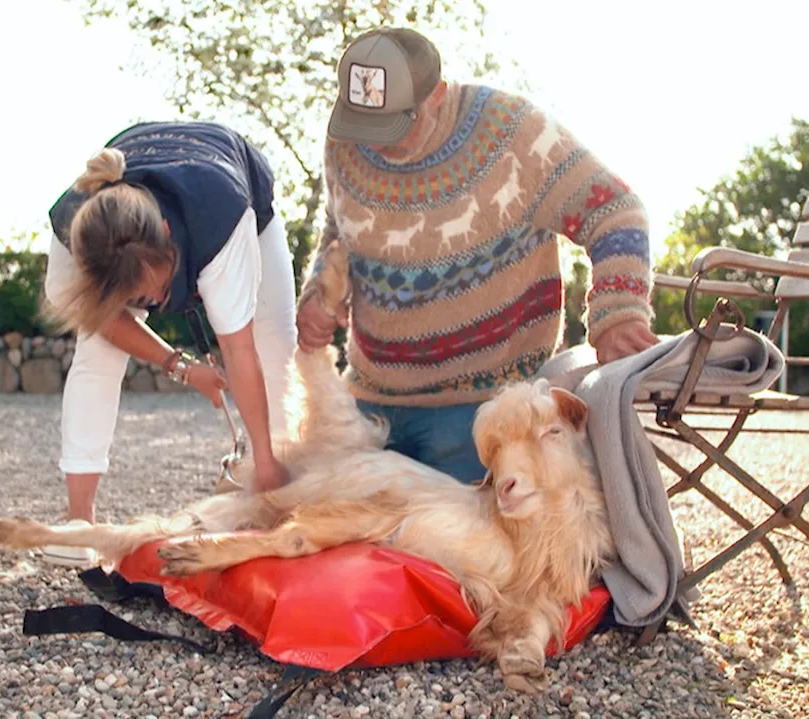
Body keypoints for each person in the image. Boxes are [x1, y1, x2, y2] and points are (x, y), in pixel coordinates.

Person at [296, 27, 660, 484]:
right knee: (343, 540)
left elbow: (614, 210)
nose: (373, 143)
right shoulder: (345, 140)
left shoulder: (513, 133)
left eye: (392, 125)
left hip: (481, 413)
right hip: (367, 405)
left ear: (437, 96)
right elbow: (340, 228)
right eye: (363, 123)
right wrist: (317, 292)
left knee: (451, 550)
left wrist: (618, 315)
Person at [42, 121, 298, 566]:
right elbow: (106, 323)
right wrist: (181, 366)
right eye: (135, 300)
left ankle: (275, 486)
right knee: (96, 352)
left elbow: (240, 350)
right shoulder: (75, 236)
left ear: (165, 233)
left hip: (230, 191)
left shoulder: (221, 220)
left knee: (275, 342)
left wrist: (264, 456)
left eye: (154, 291)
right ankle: (78, 521)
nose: (153, 304)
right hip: (140, 210)